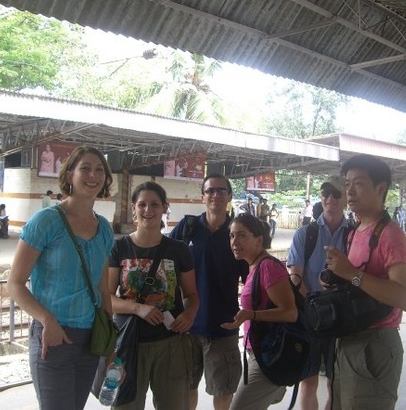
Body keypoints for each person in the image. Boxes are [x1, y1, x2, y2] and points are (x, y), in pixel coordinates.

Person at [7, 146, 115, 410]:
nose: (93, 175)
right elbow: (15, 283)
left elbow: (103, 290)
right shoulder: (46, 222)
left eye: (99, 169)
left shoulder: (104, 229)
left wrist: (109, 342)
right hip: (53, 337)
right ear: (69, 175)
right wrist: (46, 320)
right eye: (85, 168)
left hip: (91, 340)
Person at [324, 154, 406, 410]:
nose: (349, 191)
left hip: (374, 345)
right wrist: (338, 281)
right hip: (349, 340)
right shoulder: (356, 231)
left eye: (359, 183)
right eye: (347, 183)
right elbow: (357, 280)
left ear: (380, 188)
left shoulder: (390, 235)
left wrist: (351, 273)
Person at [109, 181, 199, 410]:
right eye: (142, 205)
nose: (148, 210)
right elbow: (106, 298)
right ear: (133, 208)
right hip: (128, 344)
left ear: (164, 208)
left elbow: (191, 294)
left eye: (154, 205)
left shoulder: (178, 249)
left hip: (170, 343)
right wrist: (138, 308)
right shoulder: (119, 248)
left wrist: (189, 313)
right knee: (124, 405)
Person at [170, 173, 248, 410]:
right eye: (210, 190)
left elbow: (251, 278)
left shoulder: (237, 234)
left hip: (223, 327)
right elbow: (167, 267)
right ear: (202, 196)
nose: (216, 195)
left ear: (230, 196)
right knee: (185, 389)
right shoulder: (188, 228)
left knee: (223, 393)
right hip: (186, 327)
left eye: (221, 190)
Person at [222, 213, 298, 410]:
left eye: (242, 235)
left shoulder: (268, 268)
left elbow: (290, 313)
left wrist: (252, 315)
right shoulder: (254, 266)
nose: (234, 242)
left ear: (259, 240)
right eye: (231, 236)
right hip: (258, 350)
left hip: (269, 354)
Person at [287, 175, 349, 410]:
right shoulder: (306, 234)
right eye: (326, 193)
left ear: (345, 198)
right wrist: (314, 305)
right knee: (308, 381)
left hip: (342, 319)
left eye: (336, 193)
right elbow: (295, 278)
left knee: (337, 381)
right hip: (311, 319)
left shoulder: (353, 234)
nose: (330, 198)